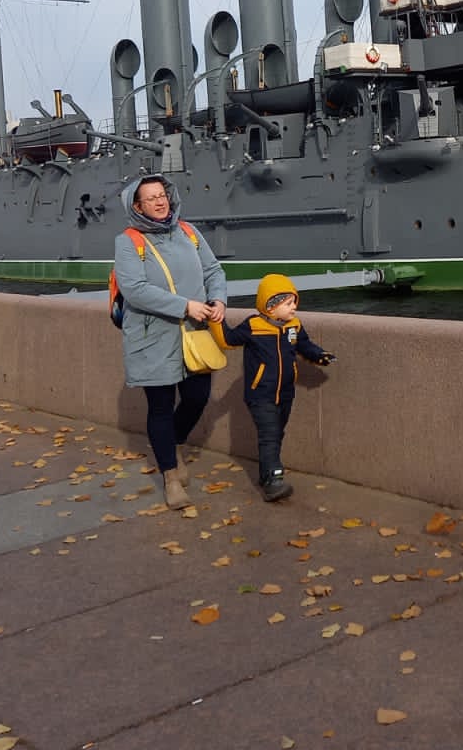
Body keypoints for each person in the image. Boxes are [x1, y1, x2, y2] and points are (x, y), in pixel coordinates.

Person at [113, 174, 228, 509]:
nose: (160, 202)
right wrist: (185, 306)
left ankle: (174, 443)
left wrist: (218, 299)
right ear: (137, 206)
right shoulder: (128, 242)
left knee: (197, 397)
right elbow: (134, 289)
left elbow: (213, 271)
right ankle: (170, 477)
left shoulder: (188, 232)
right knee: (160, 407)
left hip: (194, 331)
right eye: (150, 198)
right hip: (153, 337)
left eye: (162, 195)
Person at [213, 273, 334, 501]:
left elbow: (304, 345)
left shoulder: (294, 326)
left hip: (286, 392)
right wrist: (215, 319)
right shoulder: (253, 325)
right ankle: (274, 480)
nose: (294, 308)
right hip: (260, 394)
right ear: (271, 306)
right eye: (288, 303)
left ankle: (266, 474)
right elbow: (227, 340)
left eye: (294, 302)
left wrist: (319, 356)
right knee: (269, 434)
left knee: (277, 432)